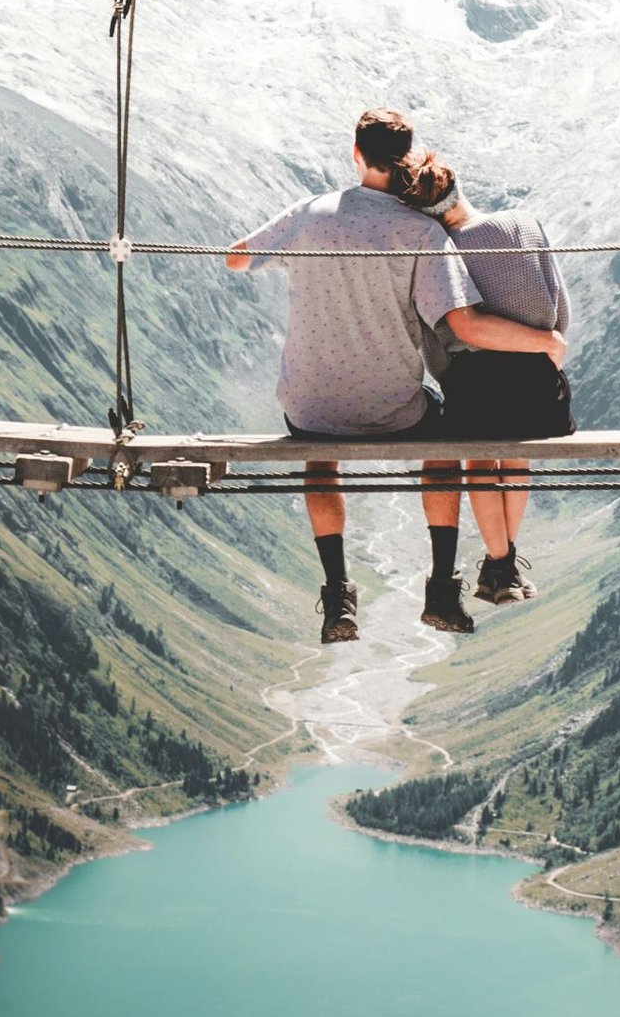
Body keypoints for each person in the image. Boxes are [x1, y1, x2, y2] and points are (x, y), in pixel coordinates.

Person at [226, 109, 567, 645]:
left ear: (355, 153)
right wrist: (546, 342)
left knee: (319, 452)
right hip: (393, 408)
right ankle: (441, 588)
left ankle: (338, 592)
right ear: (407, 156)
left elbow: (236, 259)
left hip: (309, 404)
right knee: (444, 440)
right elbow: (463, 323)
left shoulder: (309, 214)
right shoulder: (420, 231)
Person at [393, 161, 574, 606]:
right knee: (517, 459)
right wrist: (543, 348)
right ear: (457, 186)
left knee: (479, 463)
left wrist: (450, 374)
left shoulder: (437, 250)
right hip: (540, 384)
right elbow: (560, 311)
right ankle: (502, 566)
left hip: (475, 385)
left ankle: (502, 562)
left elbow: (436, 342)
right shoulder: (523, 223)